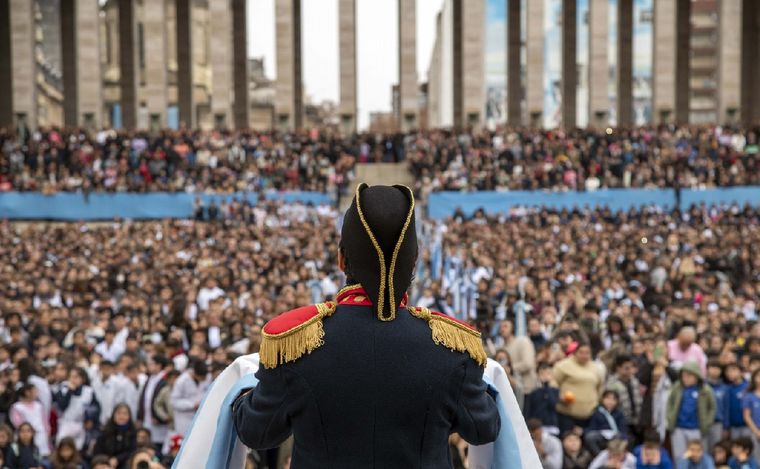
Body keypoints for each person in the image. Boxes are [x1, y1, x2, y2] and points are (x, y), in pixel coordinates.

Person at [232, 184, 500, 467]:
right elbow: (484, 428)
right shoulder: (452, 349)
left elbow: (256, 431)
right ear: (413, 265)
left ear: (340, 259)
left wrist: (241, 393)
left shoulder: (294, 345)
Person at [666, 361, 717, 463]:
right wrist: (670, 417)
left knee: (696, 456)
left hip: (696, 428)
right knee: (679, 456)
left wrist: (707, 422)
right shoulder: (677, 387)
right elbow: (670, 403)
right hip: (678, 427)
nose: (686, 379)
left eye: (689, 376)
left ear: (696, 376)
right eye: (684, 376)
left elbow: (712, 407)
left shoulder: (705, 389)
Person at [553, 342, 603, 432]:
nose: (584, 355)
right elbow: (552, 382)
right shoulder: (563, 366)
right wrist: (560, 397)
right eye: (581, 352)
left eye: (587, 353)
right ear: (575, 353)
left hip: (589, 415)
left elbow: (599, 387)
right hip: (567, 413)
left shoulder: (595, 368)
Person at [53, 367, 99, 449]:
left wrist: (91, 419)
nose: (73, 380)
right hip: (66, 423)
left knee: (79, 448)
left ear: (82, 379)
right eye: (71, 377)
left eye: (76, 377)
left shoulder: (89, 391)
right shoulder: (63, 388)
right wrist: (69, 392)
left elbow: (96, 408)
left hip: (81, 424)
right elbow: (62, 406)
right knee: (62, 446)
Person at [170, 360, 210, 438]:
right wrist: (192, 405)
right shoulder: (181, 381)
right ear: (195, 373)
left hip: (201, 416)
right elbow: (174, 401)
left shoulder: (207, 377)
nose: (204, 379)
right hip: (184, 418)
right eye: (202, 377)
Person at [607, 354, 643, 438]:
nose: (630, 370)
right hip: (622, 421)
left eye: (631, 367)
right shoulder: (612, 384)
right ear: (618, 368)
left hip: (637, 420)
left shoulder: (634, 381)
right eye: (626, 368)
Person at [8, 384, 49, 458]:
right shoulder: (17, 407)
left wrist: (47, 432)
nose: (37, 393)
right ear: (27, 392)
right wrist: (28, 431)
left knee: (41, 456)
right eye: (34, 391)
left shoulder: (39, 406)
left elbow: (44, 421)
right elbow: (17, 423)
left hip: (41, 436)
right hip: (25, 436)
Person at [93, 403, 137, 469]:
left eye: (125, 414)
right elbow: (98, 451)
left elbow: (132, 451)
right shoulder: (105, 431)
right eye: (119, 413)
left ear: (129, 416)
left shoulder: (133, 432)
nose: (121, 416)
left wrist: (117, 459)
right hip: (105, 462)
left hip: (124, 464)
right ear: (113, 415)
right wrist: (108, 460)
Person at [585, 390, 629, 454]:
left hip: (615, 434)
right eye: (607, 398)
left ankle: (615, 454)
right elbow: (592, 428)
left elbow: (622, 429)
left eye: (613, 399)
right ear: (602, 399)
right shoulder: (597, 412)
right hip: (600, 435)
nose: (610, 401)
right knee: (590, 437)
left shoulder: (619, 413)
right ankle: (599, 455)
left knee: (622, 438)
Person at [524, 362, 560, 436]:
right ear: (537, 375)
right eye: (542, 374)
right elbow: (529, 410)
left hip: (551, 426)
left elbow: (552, 404)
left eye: (548, 373)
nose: (545, 376)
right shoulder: (533, 392)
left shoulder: (554, 391)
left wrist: (546, 386)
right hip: (536, 427)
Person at [725, 363, 749, 439]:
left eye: (733, 370)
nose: (730, 373)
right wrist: (726, 426)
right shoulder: (727, 389)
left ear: (741, 372)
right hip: (733, 427)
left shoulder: (749, 387)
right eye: (728, 371)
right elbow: (726, 409)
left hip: (748, 426)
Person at [741, 369, 760, 463]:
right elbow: (746, 416)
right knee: (756, 456)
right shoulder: (749, 396)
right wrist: (756, 431)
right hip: (754, 431)